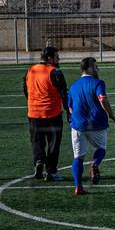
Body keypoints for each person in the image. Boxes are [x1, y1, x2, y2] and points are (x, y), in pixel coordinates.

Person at [66, 57, 115, 196]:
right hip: (96, 123)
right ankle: (94, 165)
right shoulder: (98, 83)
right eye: (96, 66)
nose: (98, 69)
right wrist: (111, 115)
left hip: (78, 125)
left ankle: (78, 187)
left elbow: (70, 107)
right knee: (101, 149)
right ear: (89, 68)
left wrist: (77, 117)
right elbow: (103, 99)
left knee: (78, 157)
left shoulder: (74, 85)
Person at [24, 46, 69, 182]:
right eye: (56, 56)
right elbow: (64, 94)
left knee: (37, 142)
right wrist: (69, 111)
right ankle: (51, 171)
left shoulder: (31, 70)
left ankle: (39, 161)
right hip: (52, 114)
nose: (58, 58)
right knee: (53, 144)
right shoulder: (55, 72)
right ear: (50, 58)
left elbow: (25, 90)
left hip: (33, 113)